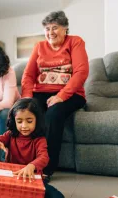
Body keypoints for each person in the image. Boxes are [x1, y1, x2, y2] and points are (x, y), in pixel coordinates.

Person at [21, 11, 89, 182]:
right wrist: (27, 99)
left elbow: (81, 72)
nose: (50, 32)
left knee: (53, 114)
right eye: (47, 28)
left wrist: (61, 95)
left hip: (71, 94)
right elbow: (28, 75)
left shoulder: (75, 42)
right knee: (25, 114)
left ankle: (45, 169)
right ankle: (22, 162)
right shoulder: (39, 46)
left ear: (65, 28)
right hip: (41, 92)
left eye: (55, 28)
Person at [0, 98, 64, 198]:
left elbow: (44, 157)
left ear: (37, 121)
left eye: (29, 121)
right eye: (19, 121)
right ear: (14, 121)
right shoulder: (10, 135)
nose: (24, 126)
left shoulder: (39, 140)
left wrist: (31, 166)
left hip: (33, 179)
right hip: (12, 177)